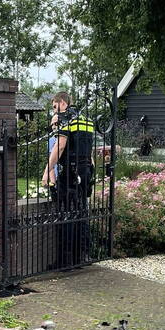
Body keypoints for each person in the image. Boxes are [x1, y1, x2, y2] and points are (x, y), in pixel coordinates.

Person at [42, 91, 95, 267]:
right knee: (82, 212)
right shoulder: (87, 121)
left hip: (70, 172)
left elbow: (60, 146)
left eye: (54, 106)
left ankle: (65, 260)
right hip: (86, 171)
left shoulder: (66, 121)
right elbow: (90, 152)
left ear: (62, 103)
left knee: (66, 214)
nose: (54, 111)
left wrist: (47, 170)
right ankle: (84, 255)